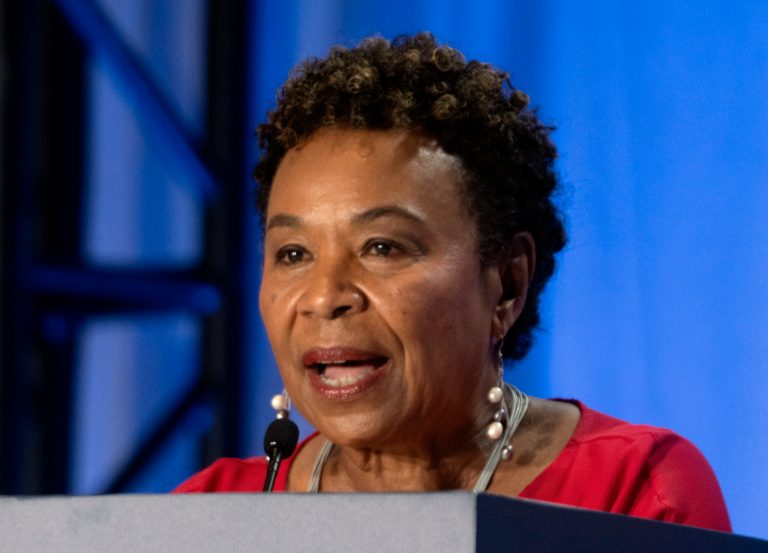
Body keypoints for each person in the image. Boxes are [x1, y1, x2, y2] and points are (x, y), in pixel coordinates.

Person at [175, 33, 730, 532]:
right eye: (293, 253)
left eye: (382, 247)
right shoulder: (206, 515)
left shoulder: (631, 490)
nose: (324, 297)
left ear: (507, 283)